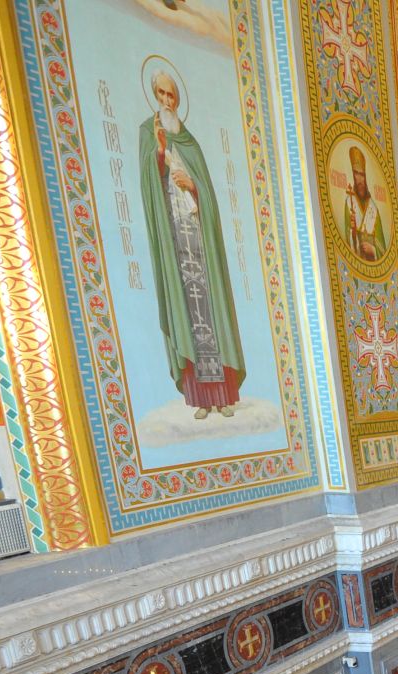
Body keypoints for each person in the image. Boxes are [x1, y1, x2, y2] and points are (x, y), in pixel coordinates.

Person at [140, 66, 245, 420]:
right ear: (154, 96)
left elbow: (209, 197)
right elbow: (149, 188)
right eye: (161, 95)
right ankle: (202, 400)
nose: (166, 101)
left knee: (211, 315)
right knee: (189, 315)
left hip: (200, 244)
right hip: (175, 242)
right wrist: (157, 155)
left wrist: (194, 186)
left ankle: (224, 396)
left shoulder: (191, 142)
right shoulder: (149, 134)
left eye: (171, 95)